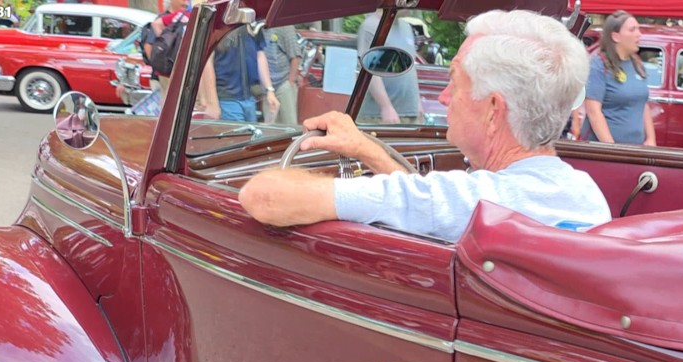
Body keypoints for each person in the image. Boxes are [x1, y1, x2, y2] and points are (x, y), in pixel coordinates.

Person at [239, 9, 611, 242]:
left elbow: (263, 197)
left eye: (455, 81)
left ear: (494, 109)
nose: (445, 96)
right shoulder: (584, 193)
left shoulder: (478, 203)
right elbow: (423, 202)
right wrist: (364, 148)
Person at [581, 10, 655, 146]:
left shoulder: (636, 63)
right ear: (616, 36)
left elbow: (643, 104)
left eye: (638, 29)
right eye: (632, 30)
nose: (639, 34)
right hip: (607, 151)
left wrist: (650, 139)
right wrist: (611, 149)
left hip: (635, 149)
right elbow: (593, 111)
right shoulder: (599, 65)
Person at [200, 24, 277, 122]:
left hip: (249, 98)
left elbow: (260, 55)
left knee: (249, 135)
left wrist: (269, 89)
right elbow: (207, 62)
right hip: (226, 98)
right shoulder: (217, 25)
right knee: (238, 136)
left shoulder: (252, 24)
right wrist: (212, 102)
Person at [357, 10, 421, 124]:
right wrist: (386, 107)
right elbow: (369, 70)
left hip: (410, 113)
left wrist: (418, 103)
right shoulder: (371, 26)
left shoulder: (407, 28)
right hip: (380, 116)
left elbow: (411, 68)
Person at [257, 22, 301, 125]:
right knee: (270, 126)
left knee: (289, 125)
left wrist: (290, 83)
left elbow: (296, 56)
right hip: (267, 87)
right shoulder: (258, 26)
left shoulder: (285, 26)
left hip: (283, 83)